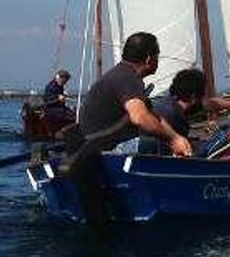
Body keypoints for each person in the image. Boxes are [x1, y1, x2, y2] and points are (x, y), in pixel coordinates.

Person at [64, 32, 191, 224]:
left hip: (90, 150)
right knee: (151, 145)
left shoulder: (120, 75)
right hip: (105, 152)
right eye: (157, 55)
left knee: (162, 141)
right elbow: (139, 117)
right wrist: (171, 140)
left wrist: (176, 137)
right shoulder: (128, 79)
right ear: (149, 59)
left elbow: (152, 116)